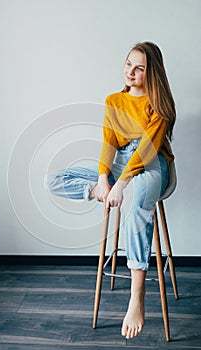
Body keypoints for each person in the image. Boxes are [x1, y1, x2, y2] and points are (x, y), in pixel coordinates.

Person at [46, 41, 176, 339]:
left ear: (152, 73)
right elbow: (108, 143)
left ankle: (137, 296)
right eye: (128, 64)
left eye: (140, 68)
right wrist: (103, 180)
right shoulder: (114, 100)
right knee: (54, 178)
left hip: (152, 163)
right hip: (118, 164)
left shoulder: (160, 105)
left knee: (140, 200)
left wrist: (122, 184)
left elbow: (145, 150)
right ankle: (93, 191)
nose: (131, 72)